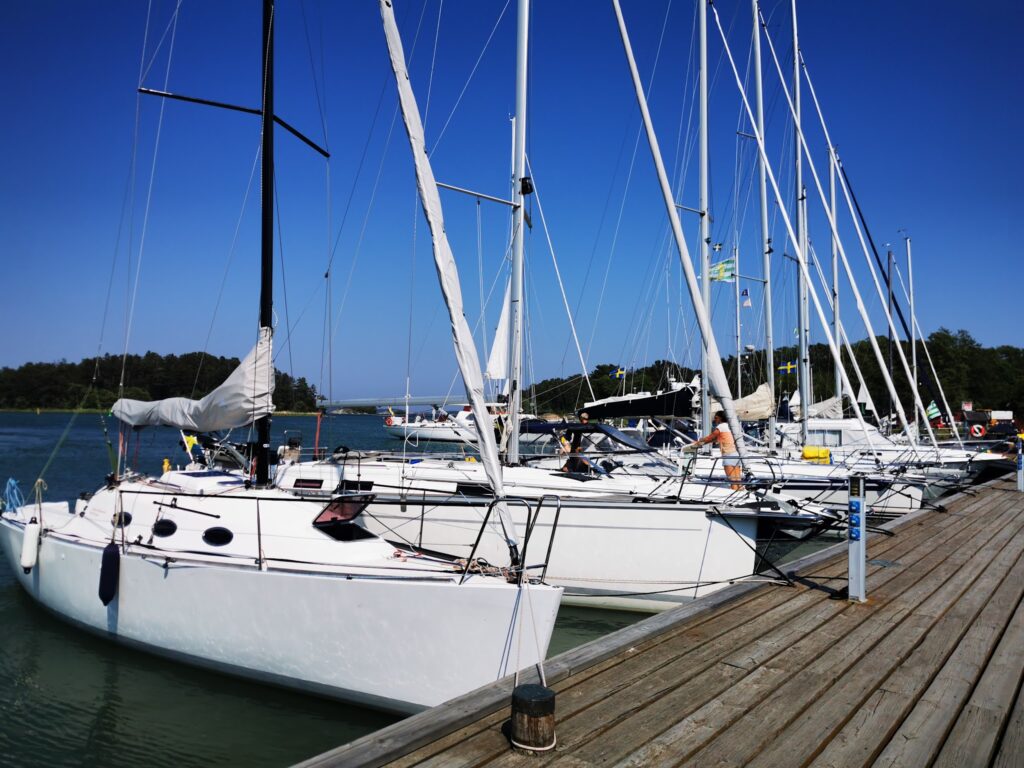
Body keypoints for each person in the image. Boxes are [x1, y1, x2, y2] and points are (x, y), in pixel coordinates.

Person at [688, 410, 742, 491]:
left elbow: (710, 437)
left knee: (732, 481)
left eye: (716, 418)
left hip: (728, 455)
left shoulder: (721, 427)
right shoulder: (730, 427)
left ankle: (734, 500)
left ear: (720, 418)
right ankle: (740, 495)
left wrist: (697, 443)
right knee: (738, 481)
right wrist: (700, 443)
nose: (715, 420)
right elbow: (715, 439)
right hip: (736, 455)